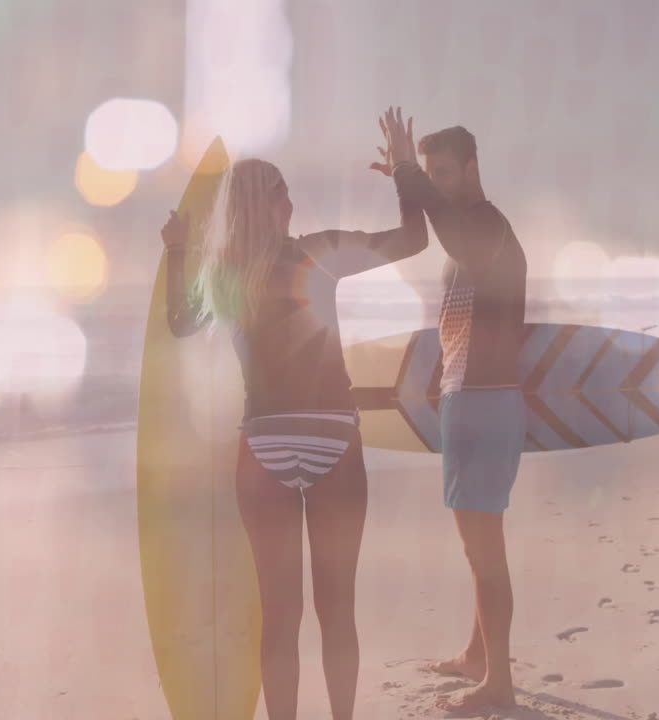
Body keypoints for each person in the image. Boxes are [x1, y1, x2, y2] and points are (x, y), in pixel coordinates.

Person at [160, 108, 427, 720]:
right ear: (276, 205)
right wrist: (405, 169)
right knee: (338, 612)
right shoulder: (319, 254)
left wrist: (178, 252)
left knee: (279, 620)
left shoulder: (222, 272)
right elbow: (414, 239)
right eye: (286, 194)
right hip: (334, 439)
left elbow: (180, 323)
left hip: (264, 450)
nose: (292, 204)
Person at [372, 119, 529, 714]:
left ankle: (501, 685)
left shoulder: (487, 227)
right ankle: (477, 655)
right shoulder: (469, 230)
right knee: (476, 549)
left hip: (486, 405)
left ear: (472, 168)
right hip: (468, 400)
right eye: (430, 172)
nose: (438, 183)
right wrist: (405, 180)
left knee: (485, 551)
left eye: (444, 172)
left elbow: (455, 237)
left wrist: (411, 176)